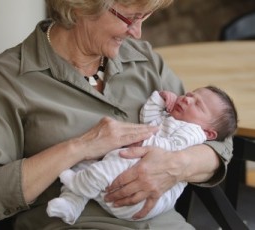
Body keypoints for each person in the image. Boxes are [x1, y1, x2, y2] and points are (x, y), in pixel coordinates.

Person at [0, 1, 234, 229]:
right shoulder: (8, 78)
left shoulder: (144, 59)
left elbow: (218, 138)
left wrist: (177, 164)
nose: (137, 32)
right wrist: (80, 146)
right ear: (82, 7)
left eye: (145, 16)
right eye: (129, 18)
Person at [46, 86, 238, 225]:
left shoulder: (194, 133)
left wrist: (144, 142)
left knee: (104, 168)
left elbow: (170, 148)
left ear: (209, 133)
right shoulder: (169, 119)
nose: (187, 99)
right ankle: (72, 205)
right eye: (189, 94)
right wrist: (161, 100)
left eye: (198, 105)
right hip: (124, 181)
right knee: (86, 165)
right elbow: (147, 117)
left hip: (140, 199)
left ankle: (79, 186)